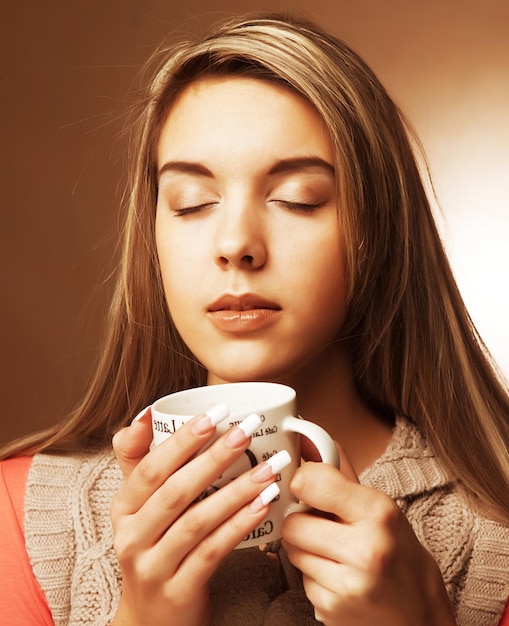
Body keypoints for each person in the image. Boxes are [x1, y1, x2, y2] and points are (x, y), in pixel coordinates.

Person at [1, 11, 509, 626]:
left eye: (298, 199)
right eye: (193, 204)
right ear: (152, 238)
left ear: (376, 229)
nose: (236, 243)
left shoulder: (495, 533)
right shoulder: (20, 515)